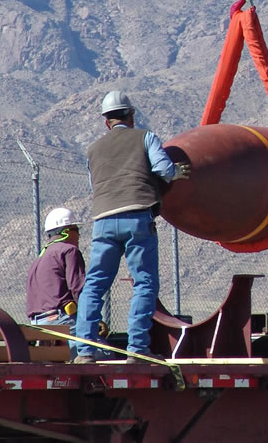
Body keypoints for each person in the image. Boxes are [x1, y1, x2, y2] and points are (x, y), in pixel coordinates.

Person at [73, 90, 190, 364]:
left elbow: (94, 186)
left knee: (94, 285)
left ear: (106, 122)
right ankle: (136, 350)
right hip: (137, 217)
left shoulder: (93, 149)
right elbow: (163, 169)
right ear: (132, 115)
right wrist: (177, 173)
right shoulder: (145, 137)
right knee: (144, 283)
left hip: (103, 221)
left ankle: (85, 351)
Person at [26, 207, 85, 360]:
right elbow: (79, 289)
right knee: (104, 355)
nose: (79, 235)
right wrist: (93, 318)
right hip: (63, 322)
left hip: (38, 326)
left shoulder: (39, 259)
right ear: (67, 231)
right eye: (76, 229)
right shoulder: (69, 251)